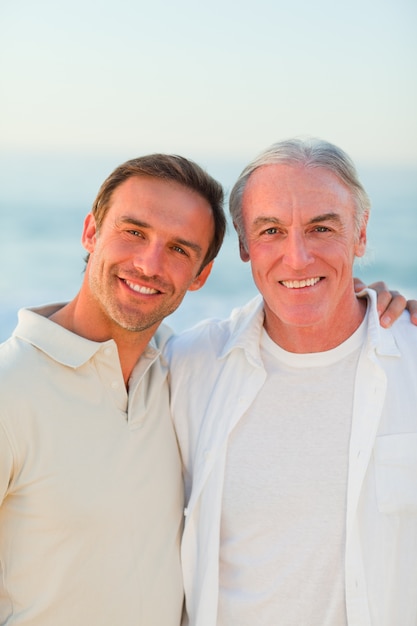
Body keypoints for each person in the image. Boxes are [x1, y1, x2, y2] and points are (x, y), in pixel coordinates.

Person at [166, 138, 417, 626]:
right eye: (271, 231)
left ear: (360, 234)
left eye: (322, 228)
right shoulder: (189, 367)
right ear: (242, 245)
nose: (297, 257)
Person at [0, 154, 226, 626]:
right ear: (91, 232)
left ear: (201, 274)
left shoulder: (184, 372)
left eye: (180, 249)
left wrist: (370, 311)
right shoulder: (10, 387)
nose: (149, 264)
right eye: (134, 232)